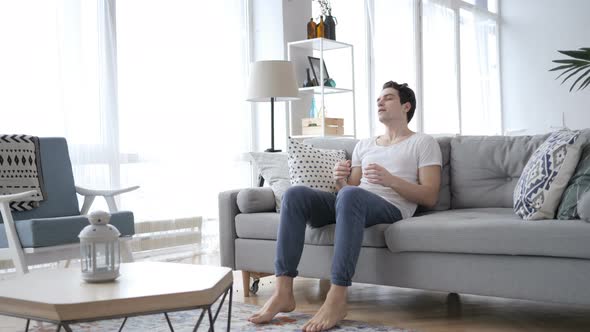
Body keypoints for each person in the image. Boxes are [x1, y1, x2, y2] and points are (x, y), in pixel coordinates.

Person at [248, 81, 443, 332]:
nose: (380, 102)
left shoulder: (423, 143)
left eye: (388, 98)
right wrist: (340, 179)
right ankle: (283, 292)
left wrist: (390, 180)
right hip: (356, 200)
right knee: (295, 195)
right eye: (378, 99)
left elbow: (430, 196)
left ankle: (337, 296)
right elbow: (348, 192)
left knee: (352, 195)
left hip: (392, 207)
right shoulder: (365, 145)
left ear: (406, 106)